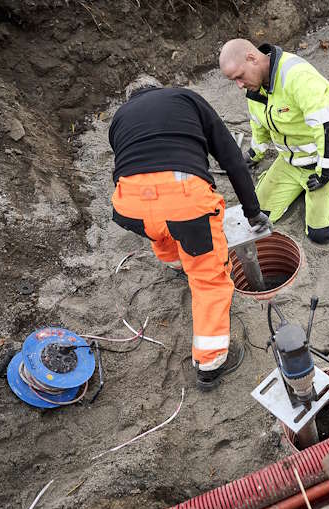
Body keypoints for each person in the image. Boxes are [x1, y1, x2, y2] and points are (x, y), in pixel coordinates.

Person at [108, 74, 271, 390]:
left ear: (131, 99)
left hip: (128, 206)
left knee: (160, 223)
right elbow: (232, 159)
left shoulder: (120, 117)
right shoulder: (185, 98)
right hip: (185, 198)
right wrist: (252, 211)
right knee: (209, 280)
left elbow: (128, 165)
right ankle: (210, 363)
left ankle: (175, 262)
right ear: (159, 89)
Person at [219, 39, 329, 244]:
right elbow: (259, 126)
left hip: (325, 160)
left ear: (252, 58)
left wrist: (326, 171)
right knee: (259, 216)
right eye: (234, 80)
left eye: (239, 76)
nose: (239, 85)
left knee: (321, 234)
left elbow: (328, 129)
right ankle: (301, 188)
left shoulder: (298, 76)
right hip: (289, 161)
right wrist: (253, 154)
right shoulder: (255, 88)